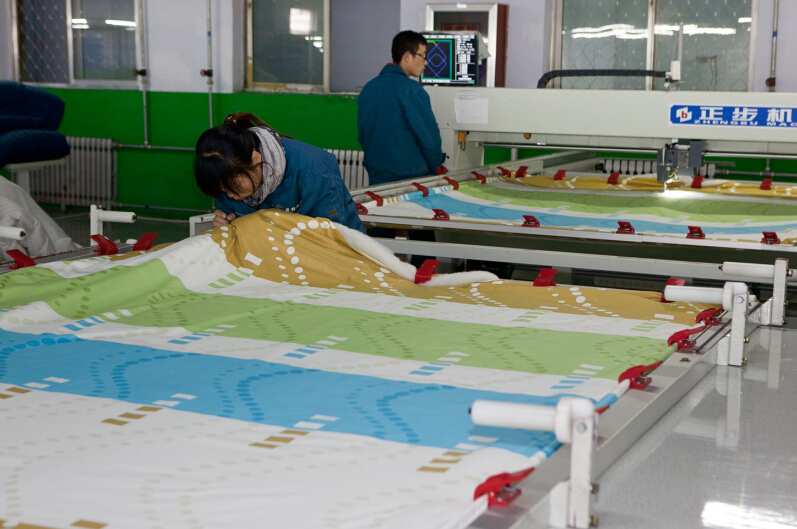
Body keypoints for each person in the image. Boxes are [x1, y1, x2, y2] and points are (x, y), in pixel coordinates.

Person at [194, 112, 365, 233]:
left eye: (232, 187)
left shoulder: (312, 169)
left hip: (340, 255)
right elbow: (234, 222)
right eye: (223, 190)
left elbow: (330, 234)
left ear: (256, 158)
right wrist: (224, 227)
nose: (230, 195)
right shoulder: (226, 175)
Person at [357, 30, 446, 186]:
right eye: (423, 56)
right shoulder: (412, 90)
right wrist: (436, 166)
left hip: (376, 181)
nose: (426, 62)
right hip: (411, 183)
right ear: (407, 56)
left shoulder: (368, 89)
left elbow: (364, 135)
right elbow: (429, 140)